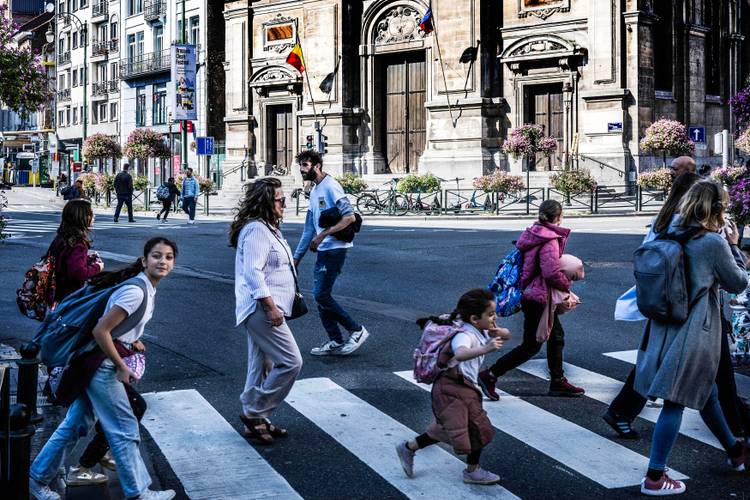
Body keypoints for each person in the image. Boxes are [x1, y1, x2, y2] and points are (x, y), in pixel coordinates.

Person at [29, 237, 178, 500]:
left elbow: (115, 326)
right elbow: (102, 330)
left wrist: (133, 337)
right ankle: (139, 492)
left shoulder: (143, 287)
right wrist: (121, 366)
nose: (162, 261)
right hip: (102, 366)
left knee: (75, 424)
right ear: (144, 261)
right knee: (123, 427)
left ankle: (36, 479)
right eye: (156, 256)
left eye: (168, 257)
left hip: (93, 363)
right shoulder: (136, 291)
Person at [606, 172, 750, 440]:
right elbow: (736, 281)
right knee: (685, 384)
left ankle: (734, 433)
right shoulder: (708, 237)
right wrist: (733, 246)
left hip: (666, 305)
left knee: (663, 364)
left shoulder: (664, 224)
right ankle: (657, 470)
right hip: (698, 312)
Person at [635, 180, 748, 496]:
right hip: (695, 330)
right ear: (715, 209)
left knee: (705, 391)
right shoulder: (711, 242)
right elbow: (737, 282)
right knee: (676, 400)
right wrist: (735, 245)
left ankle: (734, 449)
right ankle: (655, 477)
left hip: (664, 325)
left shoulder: (668, 232)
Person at [396, 289, 507, 485]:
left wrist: (499, 332)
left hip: (461, 388)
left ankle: (409, 447)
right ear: (474, 318)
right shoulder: (464, 335)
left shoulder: (477, 328)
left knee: (451, 429)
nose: (494, 317)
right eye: (491, 314)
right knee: (477, 428)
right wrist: (486, 348)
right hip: (452, 389)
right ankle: (473, 471)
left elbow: (505, 335)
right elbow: (462, 353)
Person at [478, 200, 585, 399]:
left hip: (534, 294)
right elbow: (550, 271)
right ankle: (490, 375)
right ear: (558, 217)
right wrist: (566, 284)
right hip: (538, 297)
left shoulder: (533, 233)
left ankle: (558, 381)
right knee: (531, 345)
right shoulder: (549, 239)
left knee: (556, 337)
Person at [229, 177, 303, 445]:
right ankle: (255, 411)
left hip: (266, 307)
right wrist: (270, 307)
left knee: (260, 365)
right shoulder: (257, 230)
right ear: (266, 202)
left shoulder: (269, 228)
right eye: (280, 199)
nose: (285, 203)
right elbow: (252, 272)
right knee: (291, 362)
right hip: (261, 308)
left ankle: (256, 420)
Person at [293, 151, 370, 356]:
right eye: (301, 165)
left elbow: (349, 217)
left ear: (317, 165)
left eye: (305, 165)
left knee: (321, 295)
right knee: (321, 297)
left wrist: (322, 236)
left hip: (335, 249)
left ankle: (356, 330)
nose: (302, 169)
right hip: (325, 250)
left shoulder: (331, 186)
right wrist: (296, 259)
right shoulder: (315, 190)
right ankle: (335, 340)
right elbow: (308, 229)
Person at [47, 199, 104, 305]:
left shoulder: (62, 238)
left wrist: (86, 259)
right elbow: (78, 273)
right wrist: (98, 267)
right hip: (69, 296)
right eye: (91, 214)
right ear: (81, 217)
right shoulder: (78, 244)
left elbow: (65, 262)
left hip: (56, 292)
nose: (94, 216)